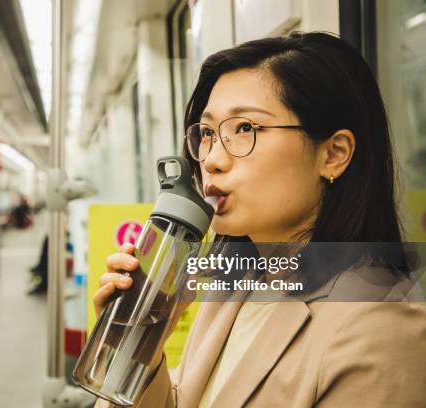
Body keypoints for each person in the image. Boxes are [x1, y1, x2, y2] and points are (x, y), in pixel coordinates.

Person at [93, 32, 426, 407]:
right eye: (207, 133)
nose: (212, 160)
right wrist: (142, 343)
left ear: (333, 154)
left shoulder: (380, 325)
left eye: (246, 128)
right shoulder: (237, 283)